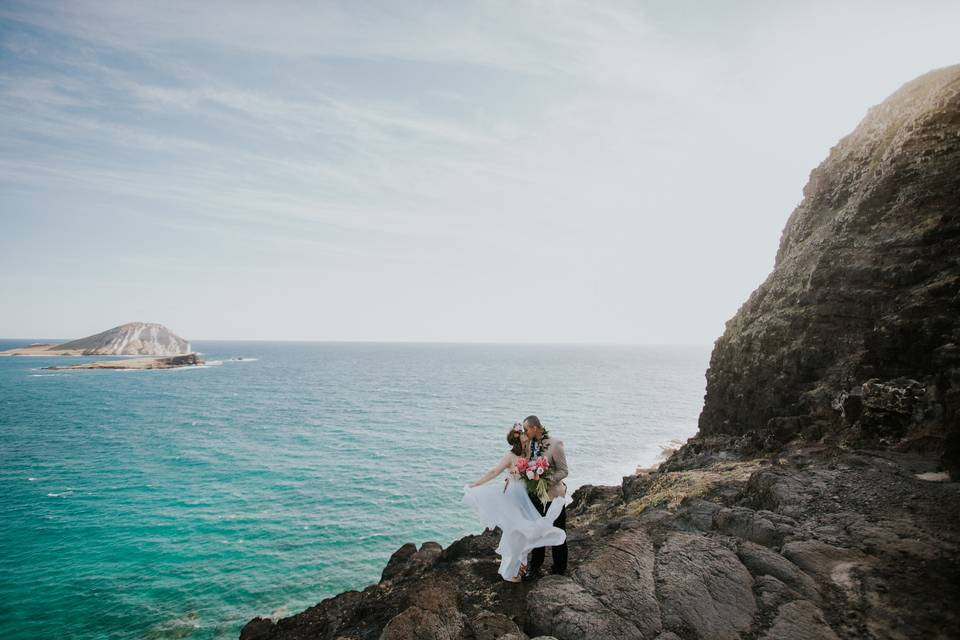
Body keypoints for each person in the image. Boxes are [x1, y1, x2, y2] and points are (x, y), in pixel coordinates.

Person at [462, 423, 566, 582]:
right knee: (517, 533)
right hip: (516, 497)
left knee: (528, 531)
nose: (526, 435)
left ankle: (523, 567)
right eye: (523, 434)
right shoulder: (511, 456)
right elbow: (494, 471)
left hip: (528, 497)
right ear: (519, 440)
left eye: (526, 432)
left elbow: (546, 468)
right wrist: (477, 484)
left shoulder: (529, 453)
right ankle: (515, 568)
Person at [521, 415, 568, 577]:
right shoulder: (528, 445)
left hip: (553, 497)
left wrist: (547, 481)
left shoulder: (555, 444)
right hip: (534, 496)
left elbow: (564, 470)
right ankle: (534, 567)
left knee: (558, 529)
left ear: (535, 428)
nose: (525, 432)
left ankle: (560, 568)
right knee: (536, 531)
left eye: (526, 429)